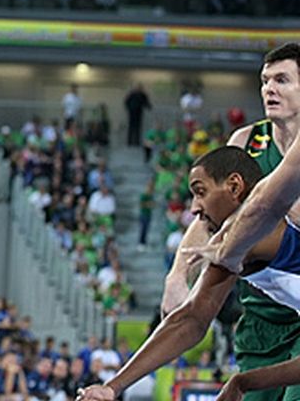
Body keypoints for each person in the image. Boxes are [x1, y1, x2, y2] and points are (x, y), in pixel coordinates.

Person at [75, 146, 297, 401]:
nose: (194, 208)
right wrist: (112, 387)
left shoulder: (275, 221)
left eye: (200, 192)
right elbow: (190, 321)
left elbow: (190, 321)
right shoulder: (230, 249)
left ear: (235, 187)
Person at [162, 43, 300, 401]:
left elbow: (262, 209)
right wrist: (178, 275)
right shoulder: (246, 142)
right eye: (265, 81)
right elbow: (209, 217)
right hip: (260, 313)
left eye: (282, 80)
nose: (269, 88)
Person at [124, 82, 151, 147]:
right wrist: (129, 108)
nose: (138, 89)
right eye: (137, 87)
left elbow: (146, 102)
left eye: (139, 88)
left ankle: (136, 142)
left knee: (138, 128)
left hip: (138, 112)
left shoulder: (142, 95)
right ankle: (129, 142)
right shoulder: (131, 94)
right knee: (131, 128)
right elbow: (126, 102)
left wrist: (149, 107)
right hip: (132, 112)